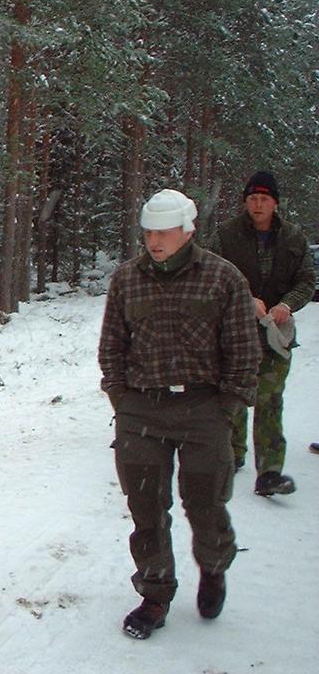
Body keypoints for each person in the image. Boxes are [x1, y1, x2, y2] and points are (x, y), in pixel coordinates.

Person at [99, 189, 260, 640]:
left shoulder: (223, 279)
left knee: (206, 506)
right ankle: (155, 594)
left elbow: (244, 351)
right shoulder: (127, 279)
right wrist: (120, 396)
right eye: (149, 232)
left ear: (188, 231)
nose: (154, 241)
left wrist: (226, 407)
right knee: (147, 510)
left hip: (203, 409)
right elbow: (112, 344)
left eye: (164, 232)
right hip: (141, 411)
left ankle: (213, 567)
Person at [210, 171, 315, 496]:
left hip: (276, 334)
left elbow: (307, 280)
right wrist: (243, 298)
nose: (258, 204)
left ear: (275, 203)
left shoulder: (294, 238)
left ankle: (269, 472)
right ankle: (232, 453)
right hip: (235, 332)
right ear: (245, 201)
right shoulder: (226, 235)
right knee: (235, 394)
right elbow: (209, 273)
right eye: (253, 198)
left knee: (270, 400)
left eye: (264, 199)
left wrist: (287, 304)